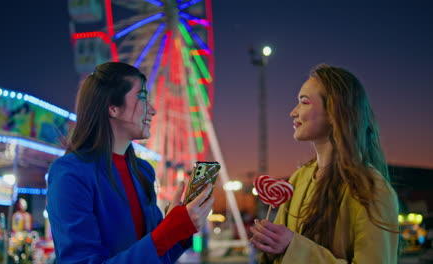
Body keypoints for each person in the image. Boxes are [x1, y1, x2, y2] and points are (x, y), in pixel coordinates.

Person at [46, 62, 214, 263]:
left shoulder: (142, 172)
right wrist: (168, 231)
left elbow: (157, 257)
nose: (152, 110)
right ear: (113, 108)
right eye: (142, 98)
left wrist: (181, 228)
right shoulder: (70, 174)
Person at [250, 64, 399, 263]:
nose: (293, 112)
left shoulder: (372, 190)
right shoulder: (298, 178)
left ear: (334, 112)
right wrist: (268, 247)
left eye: (304, 102)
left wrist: (293, 247)